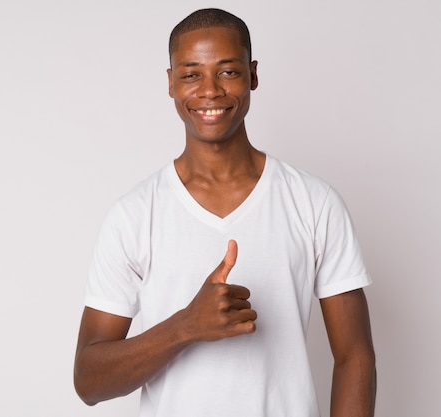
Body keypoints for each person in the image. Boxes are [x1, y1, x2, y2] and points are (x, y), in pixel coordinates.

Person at [73, 8, 376, 417]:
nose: (210, 90)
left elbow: (355, 356)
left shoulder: (313, 202)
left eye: (228, 72)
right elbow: (89, 381)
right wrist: (185, 327)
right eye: (191, 74)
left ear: (253, 74)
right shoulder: (134, 214)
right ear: (170, 83)